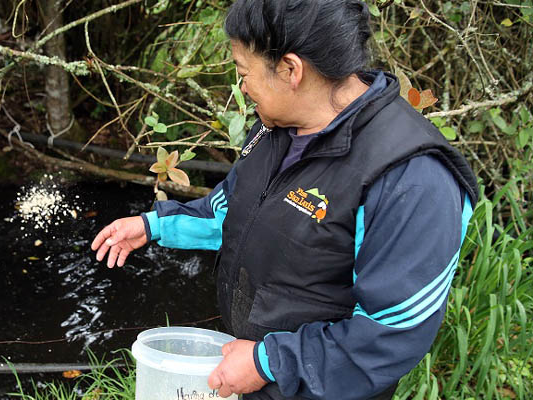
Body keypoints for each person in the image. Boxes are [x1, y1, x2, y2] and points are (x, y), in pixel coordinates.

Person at [90, 0, 478, 398]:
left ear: (291, 70)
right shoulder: (276, 127)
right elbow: (233, 208)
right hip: (252, 374)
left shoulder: (411, 179)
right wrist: (153, 226)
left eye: (243, 72)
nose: (241, 87)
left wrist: (268, 362)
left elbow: (390, 335)